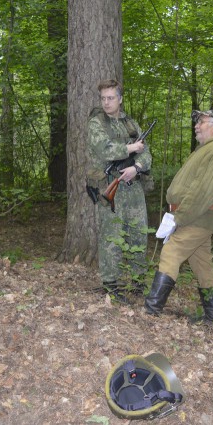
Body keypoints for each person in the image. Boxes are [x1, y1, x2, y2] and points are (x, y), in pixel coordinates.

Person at [145, 110, 213, 324]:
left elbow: (205, 190)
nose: (196, 125)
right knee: (202, 263)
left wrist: (180, 217)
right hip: (199, 216)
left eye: (201, 122)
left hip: (198, 216)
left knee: (171, 252)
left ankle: (151, 310)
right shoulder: (206, 150)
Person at [86, 79, 152, 303]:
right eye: (103, 98)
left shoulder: (131, 125)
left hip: (132, 187)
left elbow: (146, 154)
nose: (106, 102)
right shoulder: (96, 123)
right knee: (111, 236)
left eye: (111, 98)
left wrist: (137, 167)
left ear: (120, 99)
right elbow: (104, 149)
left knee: (138, 234)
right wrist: (130, 148)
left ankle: (137, 282)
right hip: (110, 185)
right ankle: (111, 285)